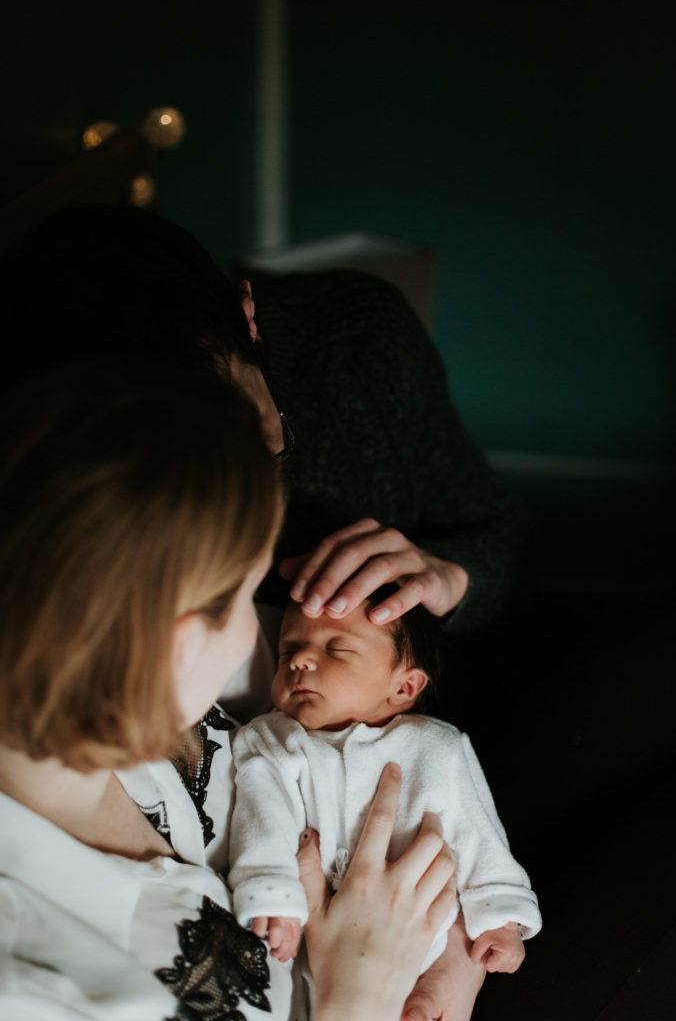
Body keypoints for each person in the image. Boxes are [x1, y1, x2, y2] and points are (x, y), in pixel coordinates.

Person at [0, 358, 457, 1021]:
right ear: (180, 641)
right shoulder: (35, 986)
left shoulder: (111, 694)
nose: (260, 634)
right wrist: (362, 995)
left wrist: (447, 963)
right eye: (247, 596)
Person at [0, 204, 524, 638]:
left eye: (253, 446)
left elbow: (502, 539)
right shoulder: (46, 447)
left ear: (247, 319)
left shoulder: (361, 340)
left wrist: (449, 577)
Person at [228, 593, 541, 1019]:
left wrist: (501, 920)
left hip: (427, 938)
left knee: (436, 985)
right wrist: (272, 894)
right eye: (287, 650)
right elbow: (262, 817)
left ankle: (435, 987)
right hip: (314, 941)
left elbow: (478, 833)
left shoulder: (436, 746)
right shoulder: (273, 740)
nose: (300, 659)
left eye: (335, 648)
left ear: (404, 686)